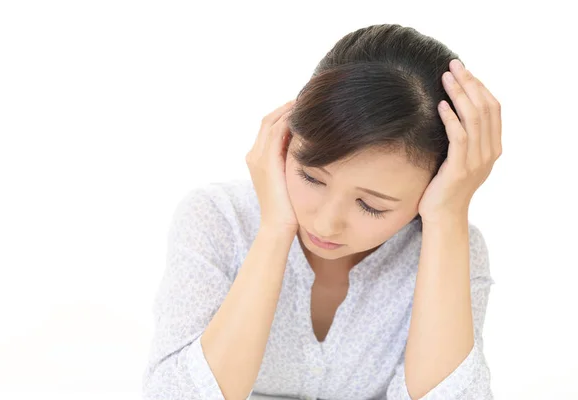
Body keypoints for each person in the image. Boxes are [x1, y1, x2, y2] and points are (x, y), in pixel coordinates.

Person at [142, 23, 502, 400]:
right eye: (311, 177)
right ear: (284, 137)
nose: (326, 223)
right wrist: (274, 231)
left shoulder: (449, 247)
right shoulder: (217, 219)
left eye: (371, 205)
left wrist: (448, 217)